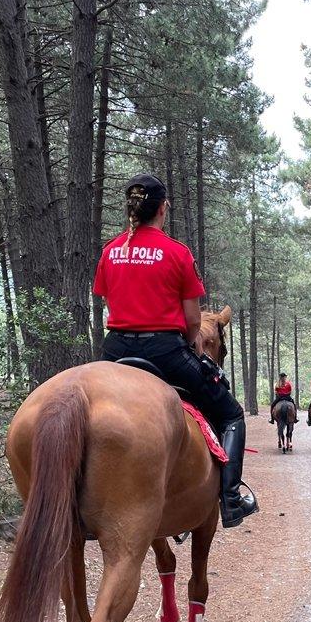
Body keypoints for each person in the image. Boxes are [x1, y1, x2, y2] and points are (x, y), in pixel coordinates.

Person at [94, 174, 258, 528]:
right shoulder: (177, 252)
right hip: (165, 351)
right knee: (231, 414)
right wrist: (189, 340)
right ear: (162, 208)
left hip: (115, 350)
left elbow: (110, 302)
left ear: (131, 209)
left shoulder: (110, 251)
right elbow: (192, 320)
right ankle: (231, 500)